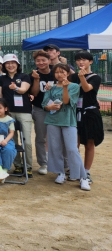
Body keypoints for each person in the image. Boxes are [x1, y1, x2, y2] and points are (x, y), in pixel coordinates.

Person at [42, 63, 89, 191]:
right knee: (55, 148)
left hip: (68, 121)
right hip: (52, 121)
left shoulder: (73, 86)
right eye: (57, 72)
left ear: (68, 73)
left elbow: (67, 102)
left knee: (72, 149)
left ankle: (82, 177)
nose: (60, 74)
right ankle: (60, 172)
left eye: (63, 72)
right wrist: (49, 107)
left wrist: (64, 87)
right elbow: (44, 104)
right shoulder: (50, 87)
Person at [0, 54, 33, 177]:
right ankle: (18, 165)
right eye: (7, 63)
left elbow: (23, 90)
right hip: (9, 113)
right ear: (4, 65)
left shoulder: (24, 76)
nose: (10, 65)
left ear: (17, 64)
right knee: (12, 141)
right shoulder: (2, 79)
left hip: (24, 112)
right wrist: (0, 110)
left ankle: (28, 167)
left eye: (13, 63)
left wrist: (15, 87)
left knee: (26, 140)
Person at [70, 51, 103, 184]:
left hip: (90, 114)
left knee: (89, 143)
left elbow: (87, 88)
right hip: (75, 112)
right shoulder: (73, 77)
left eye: (84, 60)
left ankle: (86, 171)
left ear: (90, 61)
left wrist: (82, 77)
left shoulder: (95, 77)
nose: (81, 62)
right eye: (78, 60)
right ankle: (76, 170)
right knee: (74, 144)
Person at [29, 50, 54, 175]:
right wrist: (37, 80)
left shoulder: (57, 72)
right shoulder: (33, 74)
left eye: (43, 60)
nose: (41, 63)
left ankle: (59, 163)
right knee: (41, 137)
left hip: (57, 110)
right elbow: (33, 93)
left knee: (57, 137)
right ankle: (43, 163)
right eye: (38, 61)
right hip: (40, 109)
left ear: (49, 60)